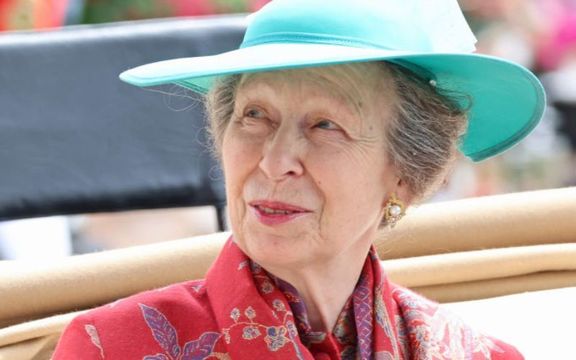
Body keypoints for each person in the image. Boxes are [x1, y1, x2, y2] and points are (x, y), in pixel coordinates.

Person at [53, 0, 545, 358]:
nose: (274, 160)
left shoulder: (475, 354)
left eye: (325, 125)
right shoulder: (112, 347)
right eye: (254, 116)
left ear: (406, 175)